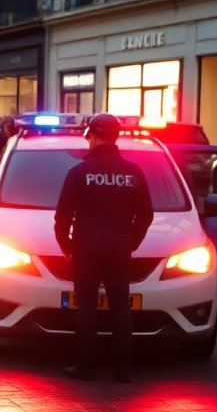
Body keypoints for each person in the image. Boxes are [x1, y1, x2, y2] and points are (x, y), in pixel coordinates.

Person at [53, 112, 154, 383]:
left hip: (86, 248)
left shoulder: (78, 172)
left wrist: (67, 247)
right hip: (119, 247)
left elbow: (62, 218)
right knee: (120, 305)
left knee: (86, 306)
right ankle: (123, 369)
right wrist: (131, 242)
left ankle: (85, 367)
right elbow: (146, 214)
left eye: (89, 137)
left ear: (95, 136)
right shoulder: (133, 173)